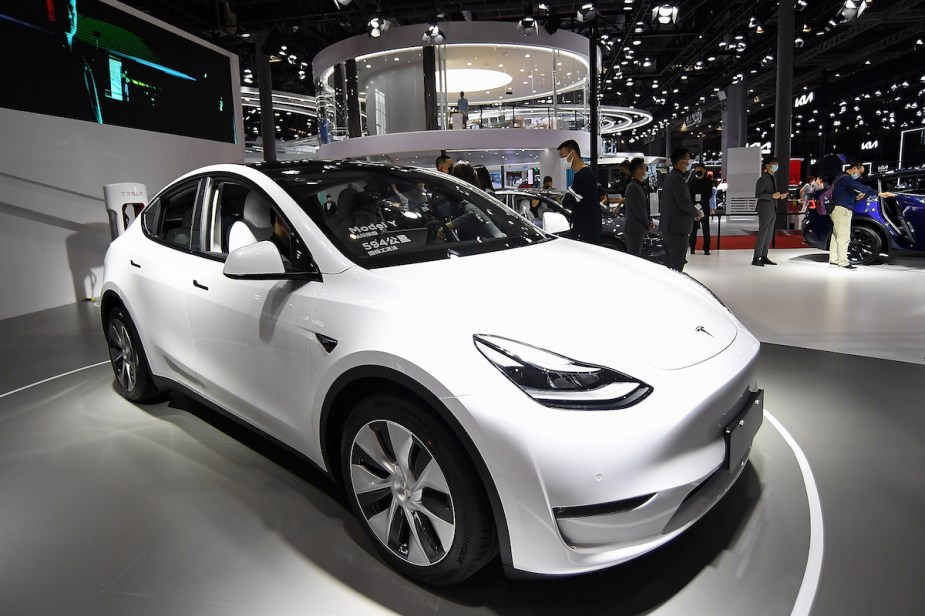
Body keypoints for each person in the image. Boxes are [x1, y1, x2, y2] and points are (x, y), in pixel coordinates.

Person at [828, 163, 895, 269]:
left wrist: (855, 196)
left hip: (836, 209)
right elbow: (860, 187)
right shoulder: (846, 179)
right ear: (855, 168)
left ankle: (834, 260)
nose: (860, 175)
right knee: (844, 236)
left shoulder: (840, 178)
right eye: (860, 172)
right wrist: (878, 193)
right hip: (842, 209)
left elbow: (844, 193)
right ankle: (843, 262)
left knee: (836, 235)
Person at [659, 147, 702, 272]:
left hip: (671, 226)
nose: (688, 163)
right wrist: (696, 212)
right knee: (676, 262)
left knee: (670, 259)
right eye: (687, 160)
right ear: (680, 162)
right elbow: (683, 203)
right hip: (677, 228)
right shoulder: (677, 179)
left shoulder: (670, 177)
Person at [557, 139, 600, 243]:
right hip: (587, 228)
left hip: (585, 230)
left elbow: (567, 201)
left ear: (572, 154)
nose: (562, 160)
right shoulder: (585, 172)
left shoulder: (583, 176)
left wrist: (562, 199)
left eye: (563, 156)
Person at [753, 155, 787, 266]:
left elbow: (772, 194)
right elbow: (758, 194)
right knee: (763, 233)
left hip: (772, 209)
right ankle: (756, 257)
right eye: (774, 164)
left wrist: (779, 196)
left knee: (768, 235)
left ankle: (763, 256)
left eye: (776, 164)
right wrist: (772, 196)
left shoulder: (772, 178)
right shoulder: (763, 179)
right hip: (765, 209)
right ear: (767, 166)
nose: (776, 166)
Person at [623, 157, 655, 258]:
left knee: (636, 255)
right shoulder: (632, 187)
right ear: (638, 171)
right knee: (634, 257)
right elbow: (638, 210)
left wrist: (648, 221)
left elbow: (643, 208)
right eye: (644, 168)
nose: (646, 170)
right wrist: (647, 223)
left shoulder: (639, 186)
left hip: (638, 228)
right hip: (634, 229)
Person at [688, 162, 714, 255]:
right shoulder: (691, 183)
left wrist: (701, 205)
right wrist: (695, 206)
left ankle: (706, 249)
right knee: (693, 230)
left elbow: (709, 195)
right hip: (694, 208)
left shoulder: (709, 182)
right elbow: (689, 195)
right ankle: (692, 248)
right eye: (697, 169)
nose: (699, 170)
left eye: (701, 169)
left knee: (706, 230)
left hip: (704, 208)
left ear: (704, 170)